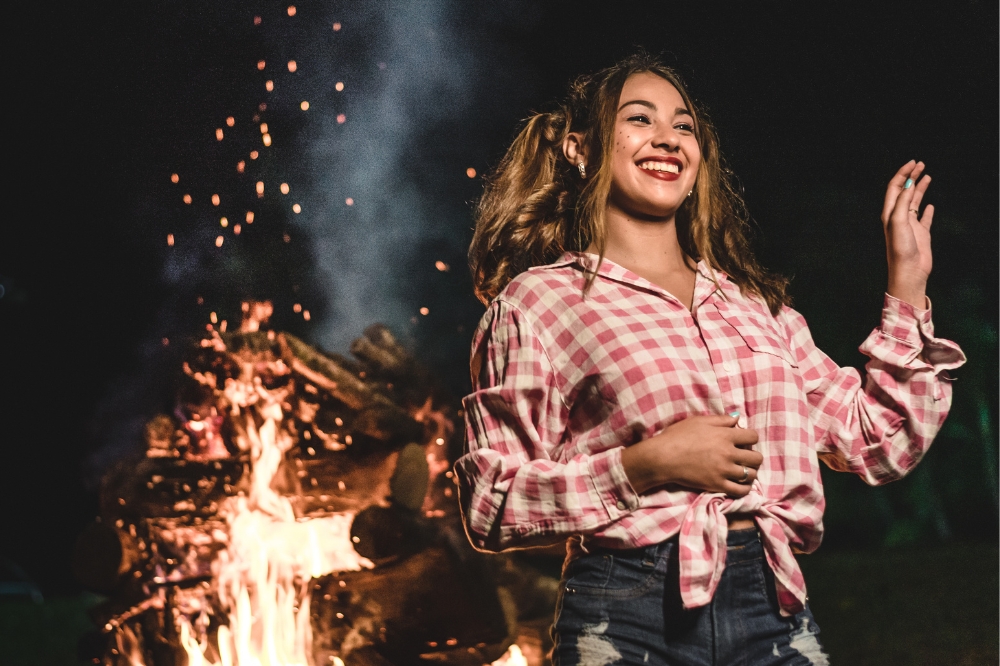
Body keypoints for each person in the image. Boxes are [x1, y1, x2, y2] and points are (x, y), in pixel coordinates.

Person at [455, 52, 965, 666]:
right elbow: (490, 501)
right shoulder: (537, 304)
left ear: (698, 165)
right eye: (639, 119)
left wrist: (907, 280)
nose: (668, 137)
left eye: (685, 127)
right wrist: (644, 465)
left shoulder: (754, 306)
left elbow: (876, 440)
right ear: (580, 149)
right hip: (627, 608)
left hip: (770, 605)